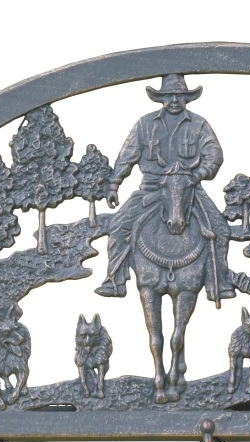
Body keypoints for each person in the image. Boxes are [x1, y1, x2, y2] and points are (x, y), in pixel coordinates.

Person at [95, 74, 236, 301]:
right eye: (169, 95)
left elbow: (214, 155)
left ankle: (218, 281)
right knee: (118, 226)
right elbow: (127, 155)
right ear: (160, 98)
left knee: (220, 229)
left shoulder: (199, 124)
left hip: (189, 188)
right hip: (151, 188)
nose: (174, 100)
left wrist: (198, 175)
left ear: (187, 98)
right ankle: (114, 279)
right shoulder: (145, 124)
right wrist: (114, 184)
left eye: (179, 95)